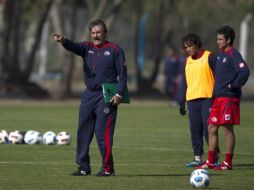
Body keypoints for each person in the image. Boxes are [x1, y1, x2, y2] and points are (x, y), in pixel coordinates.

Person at [53, 19, 128, 176]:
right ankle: (83, 167)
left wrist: (119, 93)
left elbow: (123, 74)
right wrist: (63, 41)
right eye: (93, 32)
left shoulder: (115, 50)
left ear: (105, 32)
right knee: (83, 132)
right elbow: (73, 46)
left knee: (102, 133)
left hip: (106, 95)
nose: (96, 35)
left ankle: (108, 169)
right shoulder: (86, 48)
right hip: (88, 95)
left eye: (99, 32)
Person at [197, 25, 250, 170]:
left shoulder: (234, 54)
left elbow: (244, 71)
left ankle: (228, 163)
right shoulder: (219, 55)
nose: (218, 41)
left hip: (229, 98)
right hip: (218, 98)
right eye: (217, 39)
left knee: (227, 129)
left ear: (228, 40)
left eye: (220, 39)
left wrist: (233, 85)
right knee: (211, 128)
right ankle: (211, 161)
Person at [178, 33, 219, 167]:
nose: (188, 49)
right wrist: (181, 100)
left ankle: (214, 157)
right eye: (186, 47)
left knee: (209, 130)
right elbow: (184, 82)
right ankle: (197, 158)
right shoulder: (187, 61)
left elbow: (218, 76)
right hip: (192, 100)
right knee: (195, 129)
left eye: (190, 46)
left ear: (197, 45)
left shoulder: (209, 56)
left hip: (208, 98)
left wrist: (217, 95)